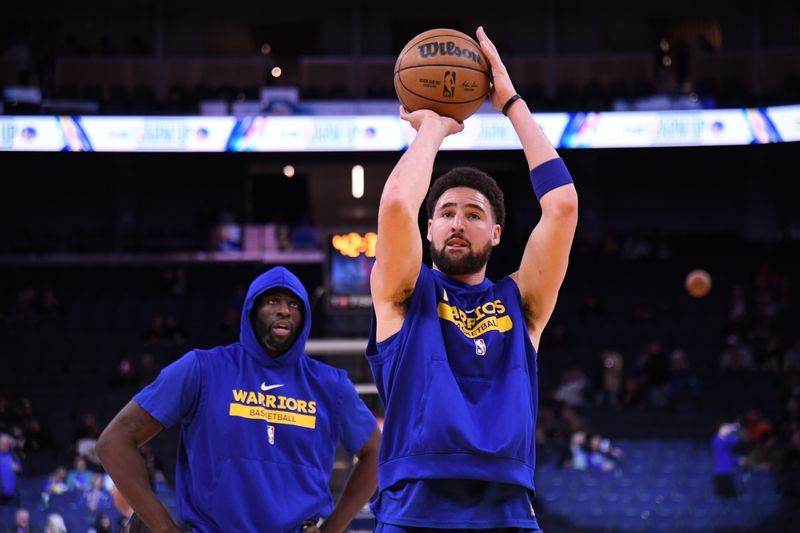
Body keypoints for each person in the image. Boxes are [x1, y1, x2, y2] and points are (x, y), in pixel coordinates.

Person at [366, 26, 578, 531]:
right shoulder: (402, 295)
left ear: (498, 232)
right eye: (446, 212)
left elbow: (563, 205)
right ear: (429, 227)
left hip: (506, 509)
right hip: (413, 510)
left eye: (474, 213)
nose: (458, 222)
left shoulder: (521, 302)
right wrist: (433, 129)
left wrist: (511, 101)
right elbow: (397, 204)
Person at [96, 266, 381, 533]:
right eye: (272, 302)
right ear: (251, 310)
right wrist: (165, 528)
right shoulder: (202, 369)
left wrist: (333, 528)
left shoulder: (331, 385)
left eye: (294, 305)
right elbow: (114, 442)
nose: (283, 310)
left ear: (304, 317)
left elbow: (377, 452)